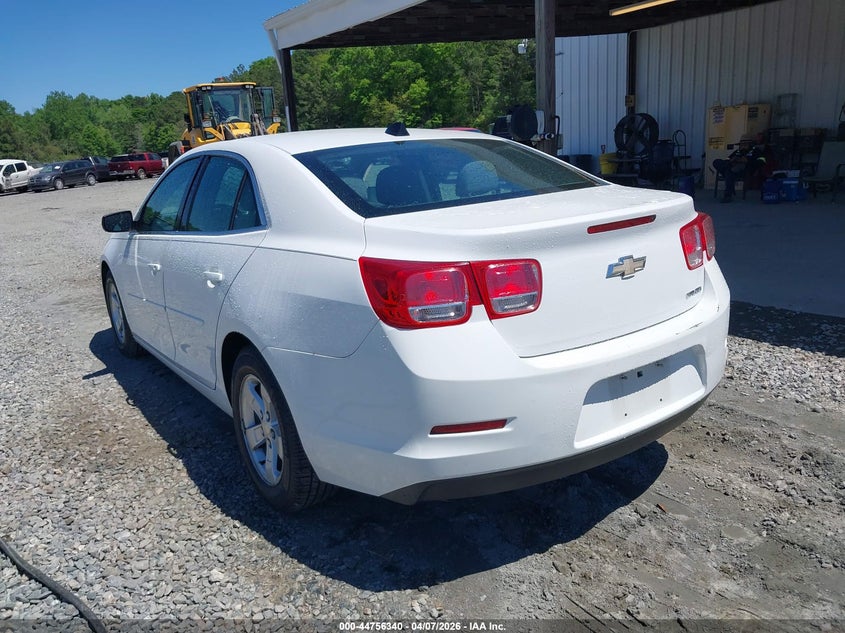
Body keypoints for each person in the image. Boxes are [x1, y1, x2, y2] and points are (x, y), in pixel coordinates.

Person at [713, 134, 767, 202]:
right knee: (717, 162)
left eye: (745, 144)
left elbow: (762, 162)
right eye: (742, 144)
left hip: (745, 171)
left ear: (750, 144)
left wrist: (747, 161)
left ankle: (727, 195)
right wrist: (731, 160)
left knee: (729, 172)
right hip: (732, 168)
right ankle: (727, 172)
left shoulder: (756, 151)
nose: (743, 146)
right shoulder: (738, 151)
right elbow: (727, 159)